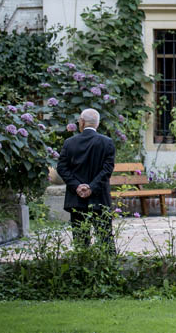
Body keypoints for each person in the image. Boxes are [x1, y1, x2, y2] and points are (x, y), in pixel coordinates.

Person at [56, 108, 116, 251]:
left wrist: (77, 186)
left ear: (82, 122)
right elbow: (107, 170)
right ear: (97, 123)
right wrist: (91, 187)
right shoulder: (107, 142)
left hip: (76, 199)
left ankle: (82, 264)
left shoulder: (69, 143)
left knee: (80, 242)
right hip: (99, 198)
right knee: (105, 240)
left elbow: (62, 168)